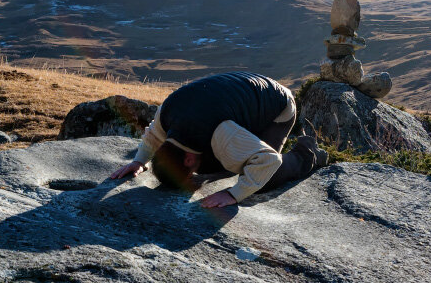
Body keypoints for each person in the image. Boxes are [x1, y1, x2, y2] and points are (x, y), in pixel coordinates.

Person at [109, 72, 328, 208]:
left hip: (277, 107)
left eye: (188, 174)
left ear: (187, 160)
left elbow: (268, 161)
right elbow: (153, 135)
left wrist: (233, 194)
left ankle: (307, 153)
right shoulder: (168, 113)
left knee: (262, 179)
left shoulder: (221, 133)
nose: (192, 179)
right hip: (243, 95)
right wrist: (139, 161)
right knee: (224, 159)